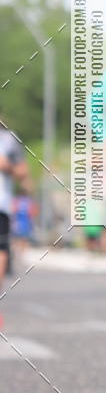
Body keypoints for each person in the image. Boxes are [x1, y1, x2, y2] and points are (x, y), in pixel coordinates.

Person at [0, 121, 29, 328]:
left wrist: (7, 166)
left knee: (1, 252)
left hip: (1, 205)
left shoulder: (9, 139)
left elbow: (23, 171)